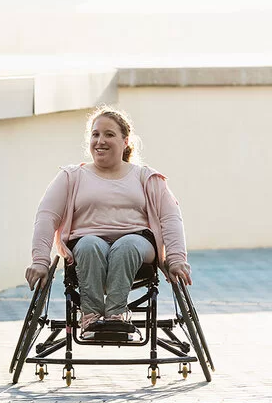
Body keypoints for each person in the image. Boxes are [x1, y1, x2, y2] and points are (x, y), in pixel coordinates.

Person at [25, 106, 192, 338]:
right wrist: (40, 261)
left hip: (138, 245)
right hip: (85, 246)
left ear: (125, 141)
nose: (100, 141)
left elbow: (171, 218)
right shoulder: (71, 177)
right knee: (89, 245)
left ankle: (115, 316)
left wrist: (176, 259)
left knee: (126, 245)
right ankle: (91, 318)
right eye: (95, 134)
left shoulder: (146, 177)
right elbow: (46, 216)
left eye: (109, 134)